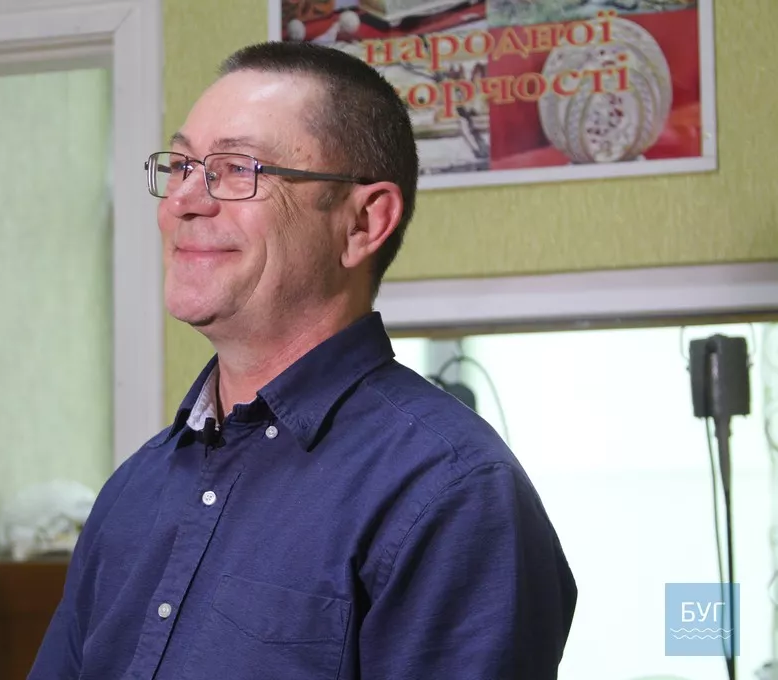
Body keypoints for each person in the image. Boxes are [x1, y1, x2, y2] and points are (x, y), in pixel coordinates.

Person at [29, 40, 577, 680]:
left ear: (363, 223)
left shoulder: (453, 493)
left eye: (237, 169)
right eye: (180, 166)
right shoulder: (134, 488)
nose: (182, 201)